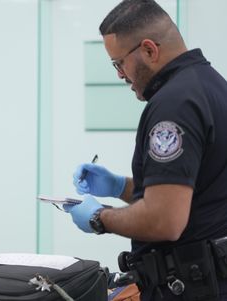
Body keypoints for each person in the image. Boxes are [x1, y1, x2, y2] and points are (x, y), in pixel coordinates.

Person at [64, 1, 227, 300]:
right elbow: (188, 192)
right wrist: (119, 186)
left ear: (150, 50)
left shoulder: (174, 104)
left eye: (118, 63)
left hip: (190, 288)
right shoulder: (212, 85)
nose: (119, 75)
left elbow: (165, 219)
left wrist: (99, 217)